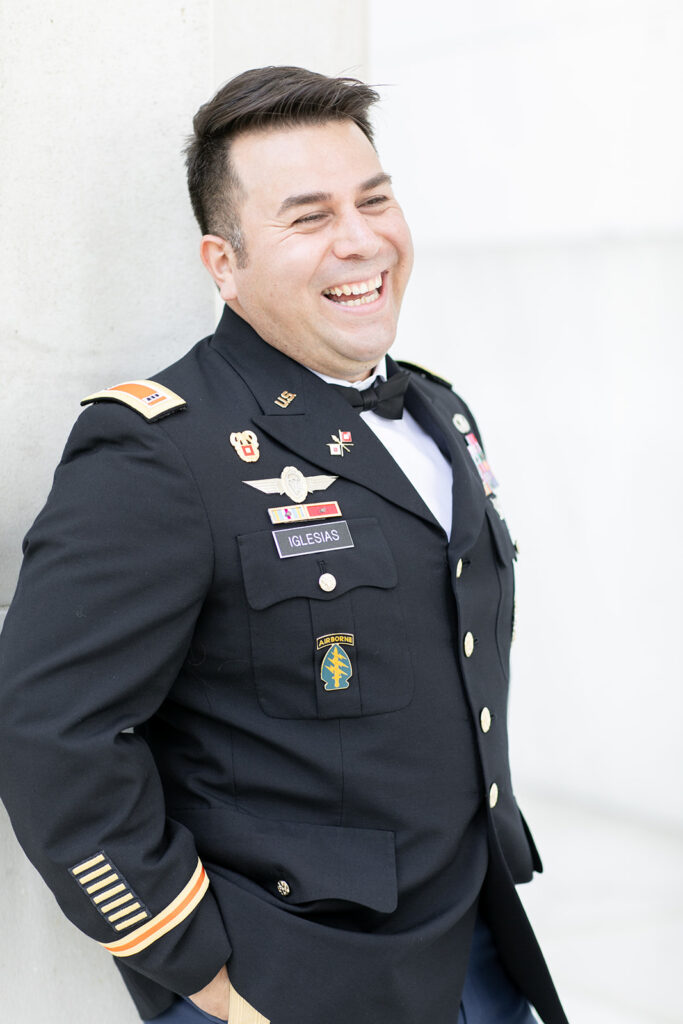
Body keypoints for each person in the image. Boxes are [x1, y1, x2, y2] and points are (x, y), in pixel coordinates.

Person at [0, 67, 568, 1024]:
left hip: (471, 939)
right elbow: (51, 732)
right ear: (223, 264)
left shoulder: (437, 412)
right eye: (307, 219)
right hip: (290, 970)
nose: (360, 240)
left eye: (374, 200)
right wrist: (197, 971)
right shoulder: (159, 451)